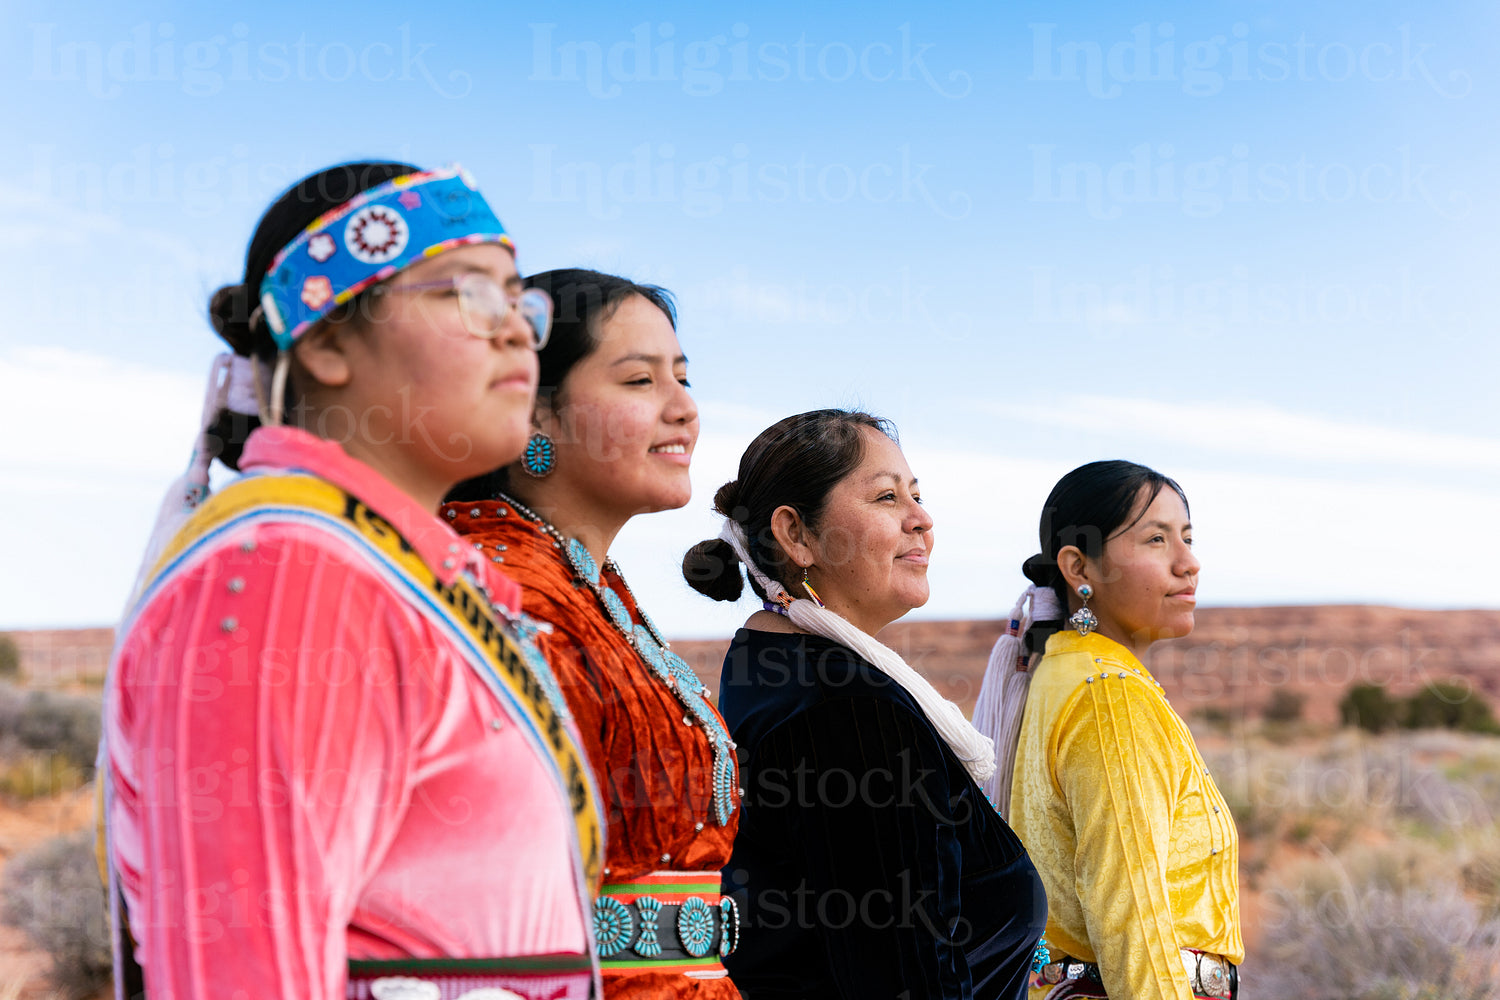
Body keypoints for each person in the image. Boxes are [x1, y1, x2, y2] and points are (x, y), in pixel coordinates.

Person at [101, 162, 604, 1000]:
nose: (518, 330)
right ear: (327, 341)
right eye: (466, 294)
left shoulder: (388, 574)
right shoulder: (285, 578)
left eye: (520, 300)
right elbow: (241, 977)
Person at [441, 269, 740, 998]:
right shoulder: (499, 590)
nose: (684, 408)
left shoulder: (583, 579)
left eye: (683, 377)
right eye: (639, 381)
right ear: (533, 414)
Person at [683, 409, 1046, 1000]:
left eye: (917, 495)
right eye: (886, 498)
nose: (922, 520)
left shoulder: (769, 661)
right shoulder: (851, 712)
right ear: (797, 535)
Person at [973, 460, 1241, 1000]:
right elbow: (1131, 921)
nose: (1188, 564)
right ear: (1080, 569)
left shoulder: (1061, 669)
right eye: (1156, 540)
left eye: (1187, 538)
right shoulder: (1107, 694)